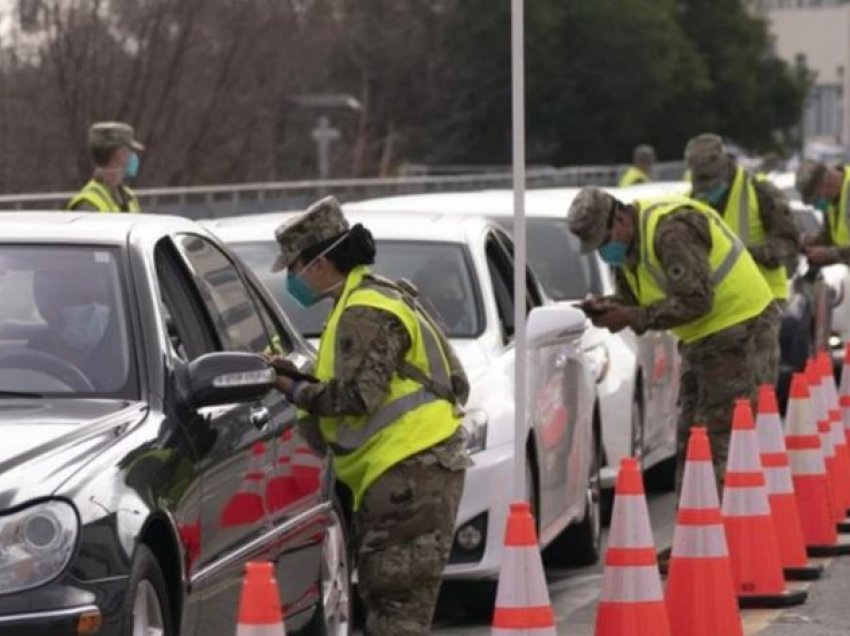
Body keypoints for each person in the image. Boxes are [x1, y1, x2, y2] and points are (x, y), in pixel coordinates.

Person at [266, 196, 471, 635]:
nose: (291, 278)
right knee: (390, 602)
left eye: (293, 266)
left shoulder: (367, 310)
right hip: (409, 473)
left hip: (411, 471)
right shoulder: (367, 298)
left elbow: (358, 398)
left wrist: (294, 389)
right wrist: (301, 374)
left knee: (396, 608)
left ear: (319, 262)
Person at [566, 186, 778, 492]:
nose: (604, 252)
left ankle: (720, 529)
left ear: (621, 219)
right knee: (693, 436)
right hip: (703, 336)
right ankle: (697, 526)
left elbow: (696, 299)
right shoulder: (629, 248)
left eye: (604, 241)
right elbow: (637, 300)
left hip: (741, 327)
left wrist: (631, 317)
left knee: (720, 437)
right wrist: (609, 306)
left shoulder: (670, 231)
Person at [685, 133, 799, 385]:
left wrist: (751, 253)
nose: (706, 188)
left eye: (710, 181)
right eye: (700, 181)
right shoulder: (691, 199)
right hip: (717, 307)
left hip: (763, 300)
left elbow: (789, 242)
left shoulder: (760, 192)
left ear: (726, 165)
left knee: (757, 379)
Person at [28, 267, 124, 391]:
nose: (94, 308)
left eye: (102, 299)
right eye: (80, 299)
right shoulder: (33, 356)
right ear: (50, 307)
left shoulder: (123, 363)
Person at [67, 121, 144, 213]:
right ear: (119, 155)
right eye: (129, 151)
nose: (133, 156)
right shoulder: (88, 204)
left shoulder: (129, 197)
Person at [795, 158, 850, 266]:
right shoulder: (830, 201)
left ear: (827, 183)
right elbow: (830, 235)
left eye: (816, 200)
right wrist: (814, 240)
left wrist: (832, 254)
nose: (817, 207)